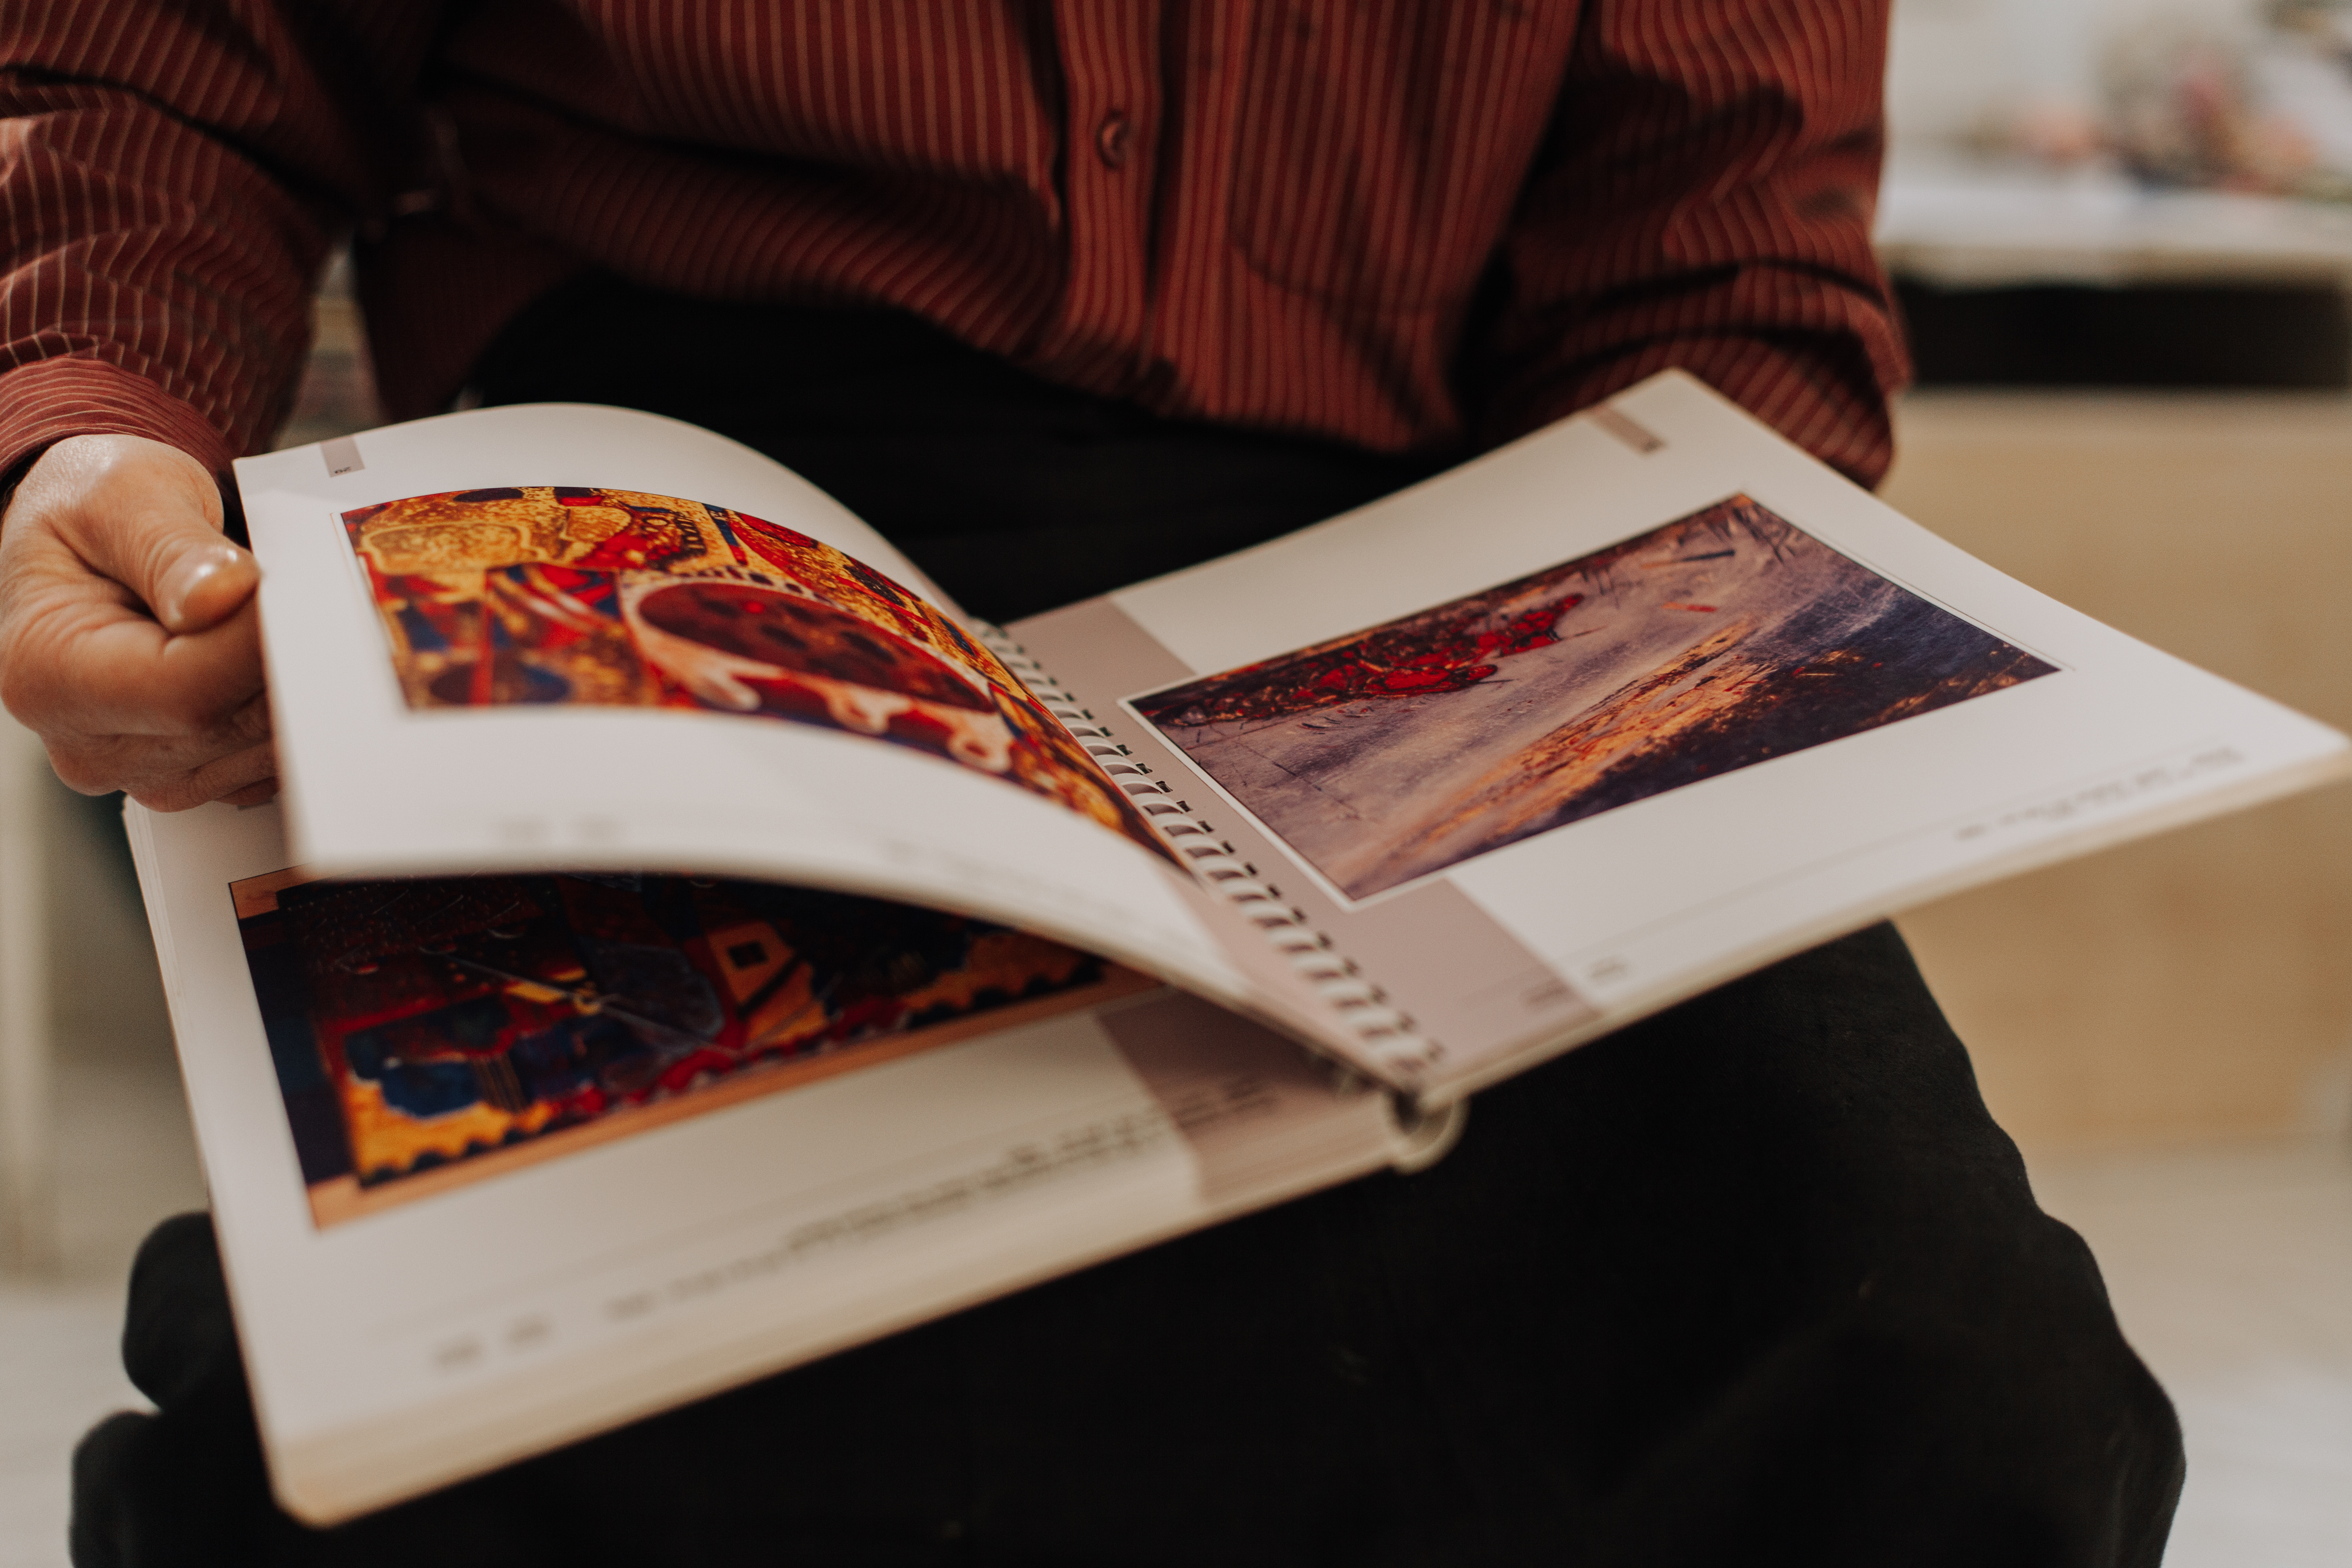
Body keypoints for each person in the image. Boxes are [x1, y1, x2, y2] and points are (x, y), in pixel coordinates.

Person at [0, 5, 2184, 1564]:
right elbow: (182, 58)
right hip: (671, 539)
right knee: (389, 1430)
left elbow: (1723, 263)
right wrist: (99, 422)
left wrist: (1643, 646)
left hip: (1440, 582)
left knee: (1943, 1381)